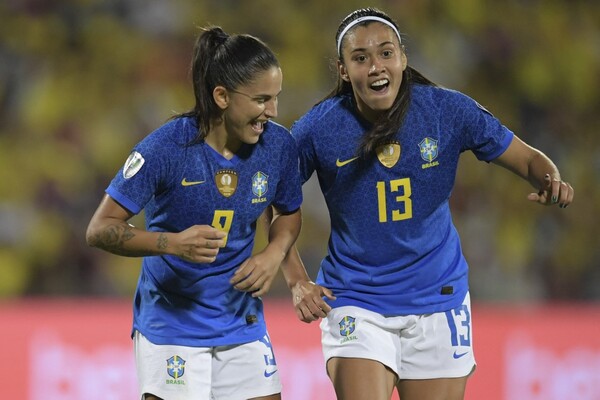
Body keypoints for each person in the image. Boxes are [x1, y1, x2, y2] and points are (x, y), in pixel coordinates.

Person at [282, 7, 575, 400]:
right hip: (356, 300)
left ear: (403, 57)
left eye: (386, 53)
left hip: (438, 299)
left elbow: (525, 158)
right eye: (360, 57)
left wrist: (548, 178)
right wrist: (296, 278)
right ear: (342, 69)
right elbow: (273, 198)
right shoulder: (318, 128)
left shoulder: (447, 111)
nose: (375, 66)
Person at [86, 26, 303, 400]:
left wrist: (274, 253)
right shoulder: (166, 148)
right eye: (262, 99)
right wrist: (171, 243)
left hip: (241, 318)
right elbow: (100, 228)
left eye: (276, 98)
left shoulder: (278, 145)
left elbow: (287, 212)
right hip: (172, 323)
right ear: (222, 96)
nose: (273, 111)